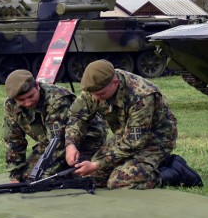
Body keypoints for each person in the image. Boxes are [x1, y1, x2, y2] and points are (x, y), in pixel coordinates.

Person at [64, 60, 177, 189]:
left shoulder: (141, 96)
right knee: (89, 178)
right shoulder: (96, 87)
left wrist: (96, 164)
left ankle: (169, 172)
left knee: (120, 182)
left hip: (155, 140)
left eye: (101, 94)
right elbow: (77, 117)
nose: (96, 98)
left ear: (115, 83)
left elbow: (134, 143)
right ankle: (137, 167)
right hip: (124, 136)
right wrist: (70, 144)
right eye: (93, 94)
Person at [2, 69, 105, 182]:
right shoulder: (11, 106)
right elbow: (14, 141)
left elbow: (58, 142)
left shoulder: (57, 100)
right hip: (49, 143)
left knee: (81, 176)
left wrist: (44, 176)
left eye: (31, 96)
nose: (28, 103)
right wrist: (15, 175)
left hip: (84, 141)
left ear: (37, 86)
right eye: (21, 100)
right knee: (27, 176)